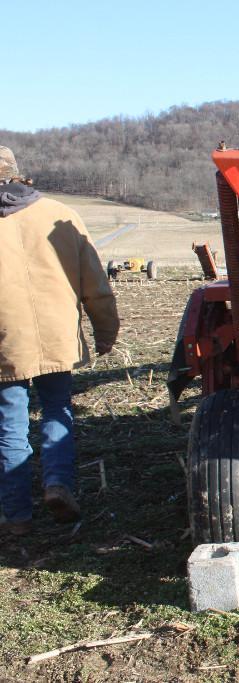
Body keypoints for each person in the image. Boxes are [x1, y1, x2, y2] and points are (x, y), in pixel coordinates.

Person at [0, 146, 119, 536]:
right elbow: (96, 286)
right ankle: (57, 485)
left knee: (9, 423)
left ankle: (16, 516)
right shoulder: (60, 215)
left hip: (4, 343)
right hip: (57, 337)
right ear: (18, 174)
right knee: (57, 410)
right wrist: (106, 331)